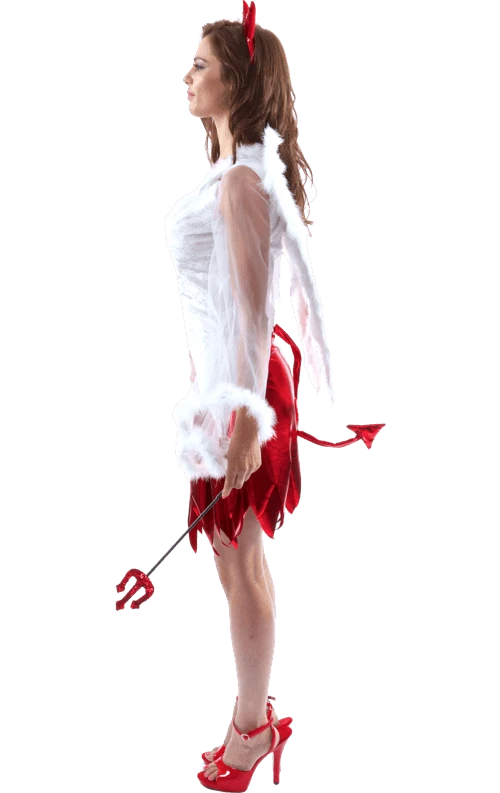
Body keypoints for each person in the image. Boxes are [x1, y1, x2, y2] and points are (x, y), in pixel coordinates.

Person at [165, 7, 334, 791]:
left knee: (242, 561)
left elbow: (256, 309)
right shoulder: (235, 170)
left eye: (201, 65)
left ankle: (251, 732)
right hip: (226, 387)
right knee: (239, 560)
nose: (188, 76)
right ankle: (254, 718)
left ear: (236, 81)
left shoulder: (240, 180)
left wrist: (242, 426)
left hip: (242, 393)